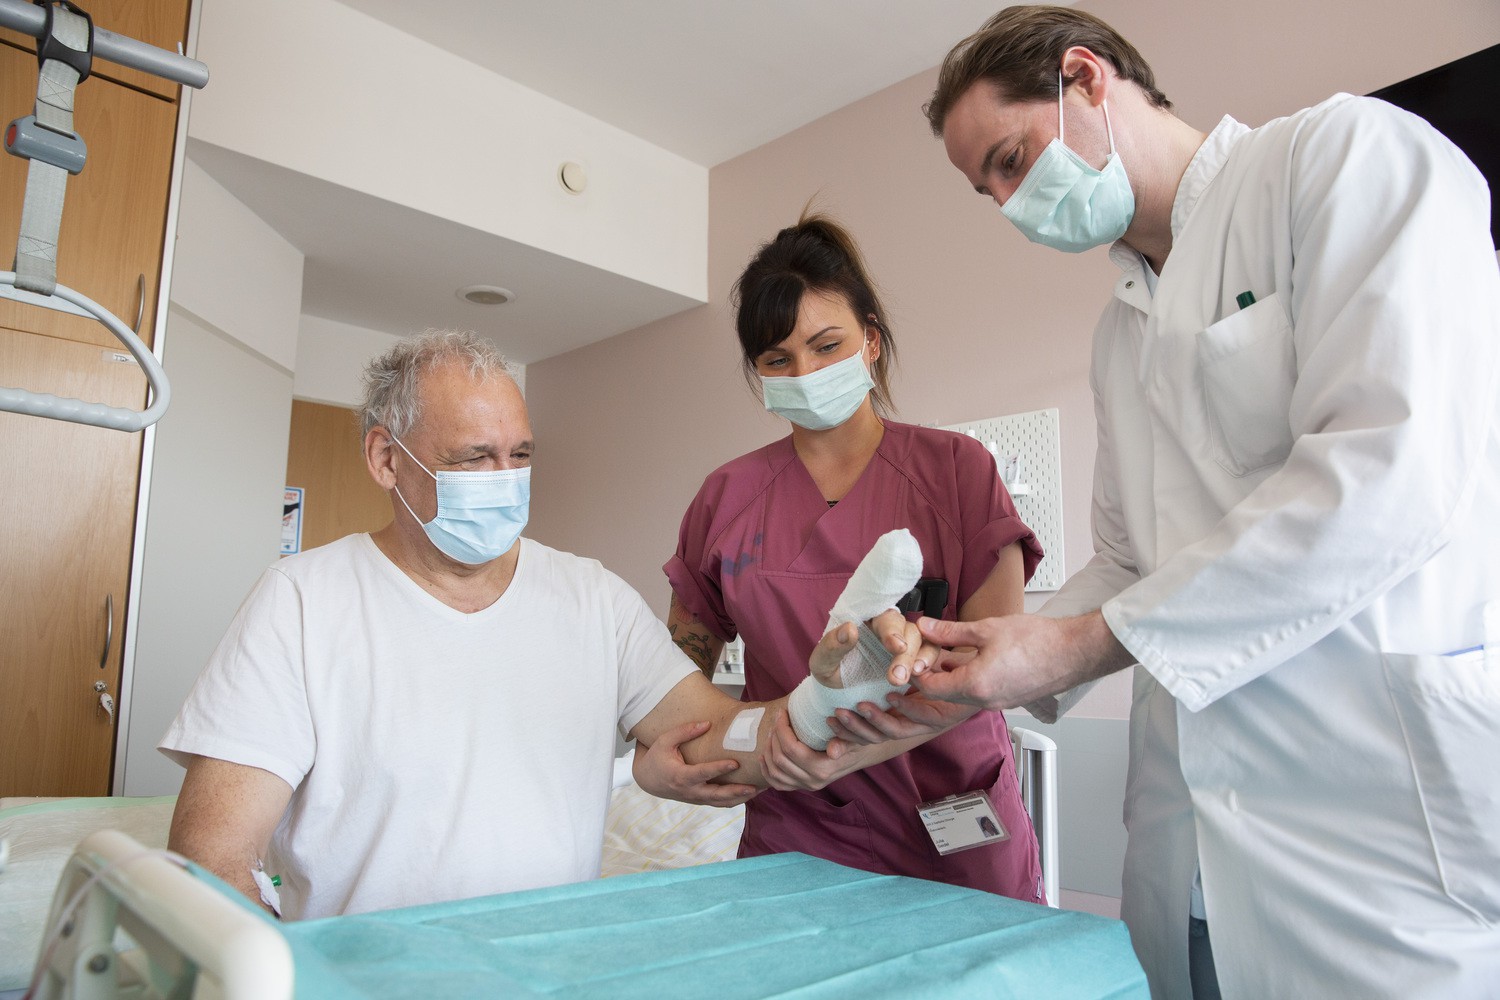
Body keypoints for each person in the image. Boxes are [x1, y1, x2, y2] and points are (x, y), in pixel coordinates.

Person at [909, 5, 1500, 997]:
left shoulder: (1343, 161)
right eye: (988, 190)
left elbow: (1388, 474)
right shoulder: (1118, 330)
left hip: (1380, 841)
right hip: (1189, 845)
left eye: (1012, 159)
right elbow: (1128, 561)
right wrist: (996, 656)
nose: (1011, 205)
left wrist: (1084, 641)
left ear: (1088, 79)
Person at [160, 329, 928, 921]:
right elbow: (213, 854)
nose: (504, 482)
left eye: (520, 455)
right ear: (386, 461)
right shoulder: (302, 602)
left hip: (543, 971)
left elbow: (719, 742)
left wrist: (823, 699)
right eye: (473, 459)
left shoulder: (590, 599)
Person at [656, 213, 1045, 900]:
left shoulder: (957, 472)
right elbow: (673, 680)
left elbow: (995, 667)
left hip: (948, 823)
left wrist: (835, 748)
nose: (803, 373)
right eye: (778, 360)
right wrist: (660, 762)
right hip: (793, 830)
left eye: (826, 345)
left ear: (870, 339)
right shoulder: (726, 499)